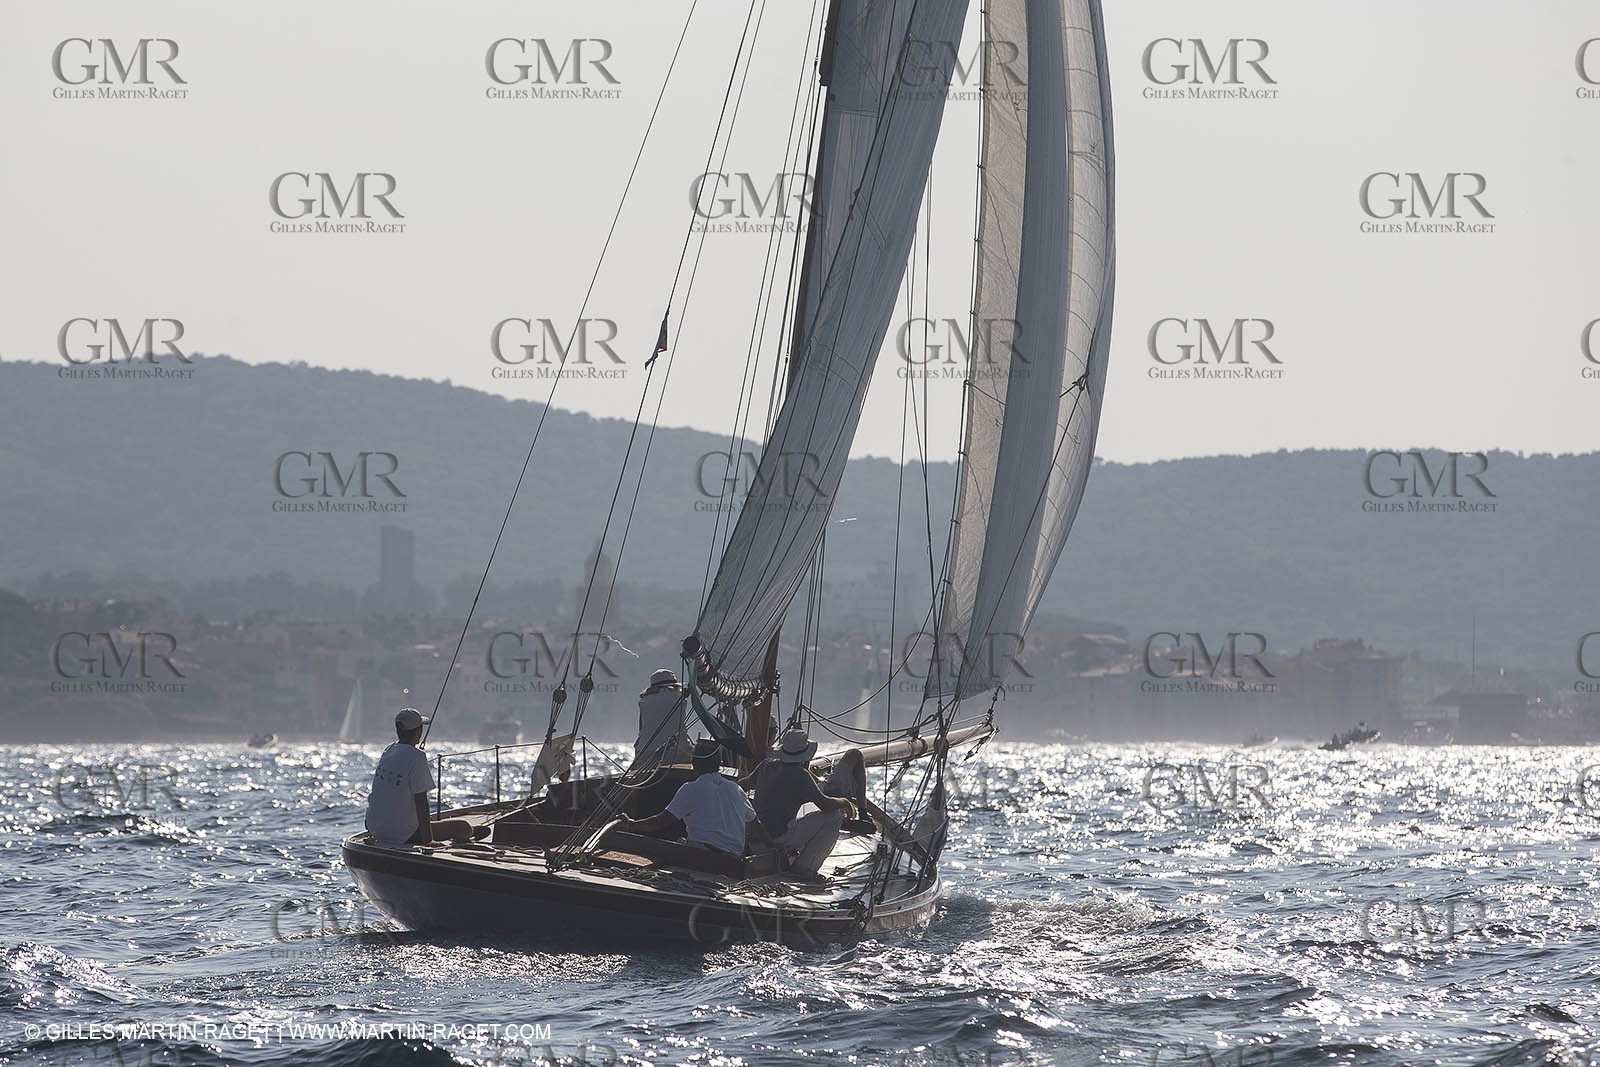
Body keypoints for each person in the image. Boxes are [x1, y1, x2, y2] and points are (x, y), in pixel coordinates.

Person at [744, 729, 865, 883]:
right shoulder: (801, 775)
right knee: (834, 817)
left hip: (758, 831)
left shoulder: (766, 765)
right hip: (779, 836)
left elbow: (744, 784)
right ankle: (804, 868)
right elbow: (825, 805)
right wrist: (845, 802)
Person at [618, 739, 757, 856]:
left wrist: (630, 824)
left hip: (700, 857)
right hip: (733, 861)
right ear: (719, 765)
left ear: (694, 765)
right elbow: (756, 826)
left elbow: (660, 822)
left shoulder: (691, 789)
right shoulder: (736, 789)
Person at [364, 708, 478, 846]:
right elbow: (421, 801)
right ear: (418, 732)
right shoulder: (417, 756)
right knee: (464, 827)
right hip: (403, 835)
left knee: (426, 820)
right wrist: (428, 840)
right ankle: (466, 834)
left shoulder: (388, 750)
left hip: (375, 828)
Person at [634, 667, 692, 766]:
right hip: (677, 753)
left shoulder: (643, 702)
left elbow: (641, 730)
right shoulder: (681, 699)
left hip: (646, 756)